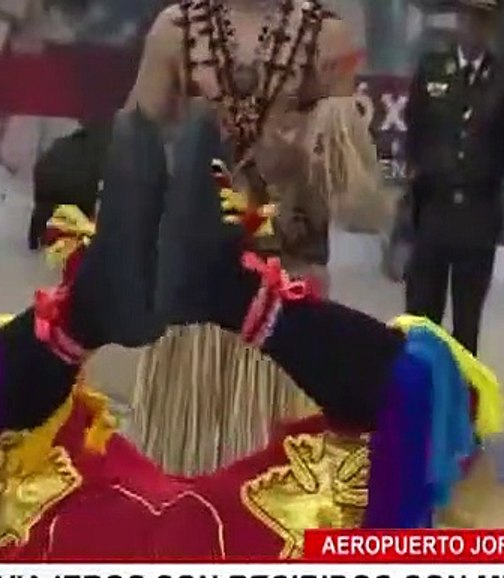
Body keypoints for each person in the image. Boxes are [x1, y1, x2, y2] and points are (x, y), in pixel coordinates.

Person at [0, 105, 503, 578]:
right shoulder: (290, 559)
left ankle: (89, 314)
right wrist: (254, 304)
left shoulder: (56, 527)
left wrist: (79, 318)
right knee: (425, 412)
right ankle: (236, 302)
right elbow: (439, 406)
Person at [124, 0, 391, 474]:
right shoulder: (175, 29)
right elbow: (136, 143)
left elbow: (355, 193)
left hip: (288, 284)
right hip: (194, 287)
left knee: (283, 472)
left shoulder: (326, 37)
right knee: (183, 465)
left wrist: (317, 139)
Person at [402, 0, 504, 355]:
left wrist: (495, 172)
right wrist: (417, 174)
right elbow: (415, 127)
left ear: (493, 25)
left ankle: (461, 387)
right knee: (421, 315)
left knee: (467, 319)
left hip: (478, 212)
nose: (473, 25)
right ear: (458, 20)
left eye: (482, 18)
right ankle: (420, 384)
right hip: (434, 208)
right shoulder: (432, 68)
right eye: (467, 17)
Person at [27, 117, 114, 250]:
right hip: (75, 187)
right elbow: (101, 171)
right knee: (84, 209)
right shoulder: (96, 148)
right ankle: (82, 242)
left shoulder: (62, 143)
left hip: (48, 179)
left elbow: (43, 162)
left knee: (43, 207)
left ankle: (35, 239)